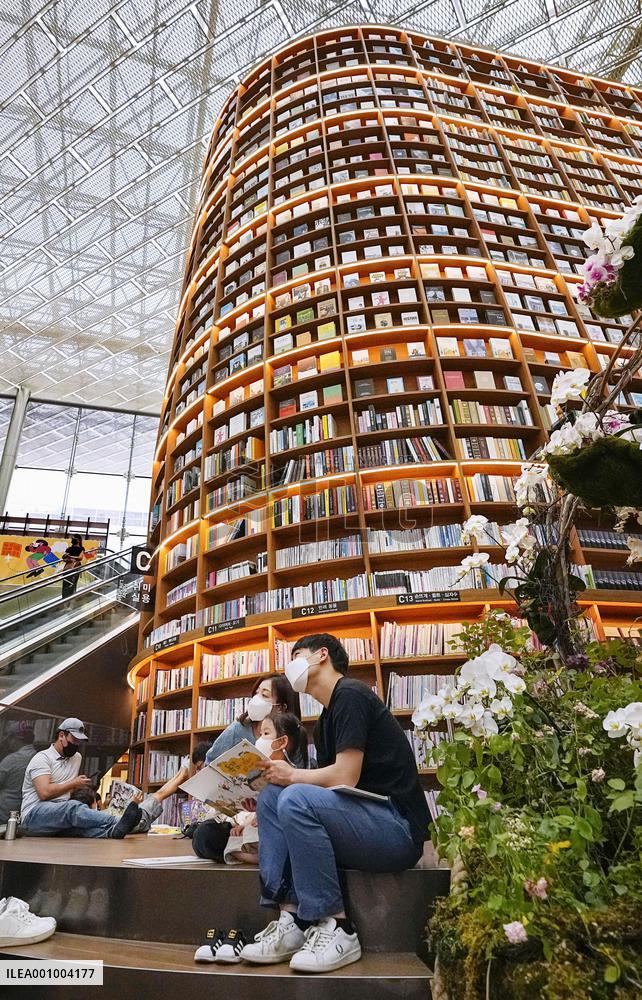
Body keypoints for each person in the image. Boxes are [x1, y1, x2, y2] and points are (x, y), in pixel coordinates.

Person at [239, 633, 431, 974]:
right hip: (362, 823)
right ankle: (292, 919)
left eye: (297, 655)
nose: (290, 666)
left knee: (293, 795)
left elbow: (345, 776)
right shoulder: (326, 720)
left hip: (396, 829)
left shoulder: (350, 694)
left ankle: (338, 926)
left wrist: (292, 777)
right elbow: (328, 790)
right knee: (271, 798)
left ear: (322, 655)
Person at [20, 718, 141, 838]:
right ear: (61, 735)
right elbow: (44, 793)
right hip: (33, 816)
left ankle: (114, 831)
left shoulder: (76, 758)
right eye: (74, 739)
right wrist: (73, 783)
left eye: (80, 741)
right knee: (72, 808)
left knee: (82, 828)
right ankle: (117, 820)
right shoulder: (42, 758)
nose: (77, 744)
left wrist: (81, 787)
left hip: (59, 817)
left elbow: (67, 791)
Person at [204, 674, 299, 764]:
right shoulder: (237, 730)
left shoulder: (293, 737)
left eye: (264, 695)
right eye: (256, 693)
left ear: (280, 707)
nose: (256, 699)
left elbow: (298, 770)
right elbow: (210, 762)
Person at [0, 722, 36, 825]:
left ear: (16, 738)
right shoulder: (37, 757)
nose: (7, 741)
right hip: (24, 814)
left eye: (9, 738)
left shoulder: (12, 759)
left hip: (4, 814)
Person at [61, 535, 85, 599]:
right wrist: (69, 558)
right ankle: (64, 600)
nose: (73, 539)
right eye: (73, 538)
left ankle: (71, 599)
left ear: (79, 540)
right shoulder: (69, 549)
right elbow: (64, 559)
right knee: (65, 584)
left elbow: (80, 558)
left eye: (75, 538)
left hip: (76, 567)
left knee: (73, 583)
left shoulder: (81, 548)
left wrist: (70, 557)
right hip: (68, 567)